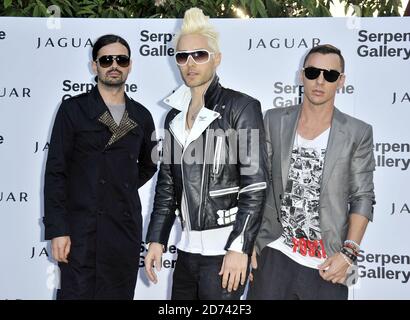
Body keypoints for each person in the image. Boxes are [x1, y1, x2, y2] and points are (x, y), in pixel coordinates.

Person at [144, 7, 267, 300]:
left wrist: (240, 247)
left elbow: (256, 184)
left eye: (199, 54)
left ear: (217, 59)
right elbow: (167, 185)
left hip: (224, 255)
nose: (190, 63)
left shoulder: (241, 108)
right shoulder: (173, 117)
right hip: (186, 254)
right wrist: (156, 240)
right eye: (182, 56)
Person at [248, 44, 375, 300]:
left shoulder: (357, 133)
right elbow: (256, 183)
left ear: (341, 82)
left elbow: (363, 197)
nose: (319, 81)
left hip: (327, 263)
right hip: (273, 252)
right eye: (312, 72)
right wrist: (247, 243)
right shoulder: (273, 119)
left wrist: (349, 254)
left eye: (329, 75)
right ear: (301, 75)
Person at [43, 34, 157, 299]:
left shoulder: (142, 116)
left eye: (121, 59)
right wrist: (58, 229)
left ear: (130, 65)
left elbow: (150, 164)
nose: (114, 65)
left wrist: (121, 186)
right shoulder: (73, 110)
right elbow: (56, 172)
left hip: (123, 232)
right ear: (95, 66)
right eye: (106, 59)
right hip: (80, 232)